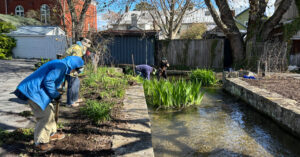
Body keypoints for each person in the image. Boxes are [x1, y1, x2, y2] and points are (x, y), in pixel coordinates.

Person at [14, 56, 84, 151]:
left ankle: (51, 133)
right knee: (45, 116)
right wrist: (55, 95)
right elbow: (48, 81)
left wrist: (57, 91)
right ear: (74, 66)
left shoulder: (62, 65)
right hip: (34, 91)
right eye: (75, 70)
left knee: (50, 110)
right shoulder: (61, 66)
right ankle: (40, 142)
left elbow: (52, 79)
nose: (74, 73)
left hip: (38, 90)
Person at [64, 37, 91, 107]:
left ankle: (75, 99)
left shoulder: (77, 46)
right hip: (69, 69)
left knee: (76, 82)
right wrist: (76, 70)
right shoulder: (78, 49)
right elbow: (74, 61)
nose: (86, 49)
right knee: (72, 85)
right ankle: (70, 103)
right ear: (84, 45)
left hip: (69, 67)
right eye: (86, 47)